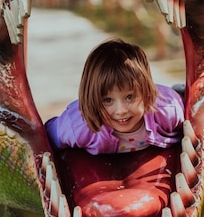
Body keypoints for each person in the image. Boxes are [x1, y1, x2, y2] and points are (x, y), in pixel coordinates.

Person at [45, 38, 185, 154]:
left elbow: (191, 118)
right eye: (107, 100)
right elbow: (47, 137)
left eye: (129, 97)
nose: (121, 110)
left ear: (145, 92)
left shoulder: (167, 111)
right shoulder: (77, 127)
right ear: (93, 100)